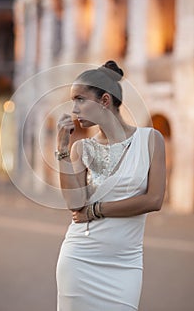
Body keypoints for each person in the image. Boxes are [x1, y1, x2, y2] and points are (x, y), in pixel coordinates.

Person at [55, 60, 166, 311]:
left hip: (125, 264)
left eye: (80, 99)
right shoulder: (80, 148)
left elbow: (154, 200)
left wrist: (95, 210)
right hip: (79, 259)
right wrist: (62, 150)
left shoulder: (151, 140)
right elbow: (74, 205)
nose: (74, 109)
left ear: (105, 100)